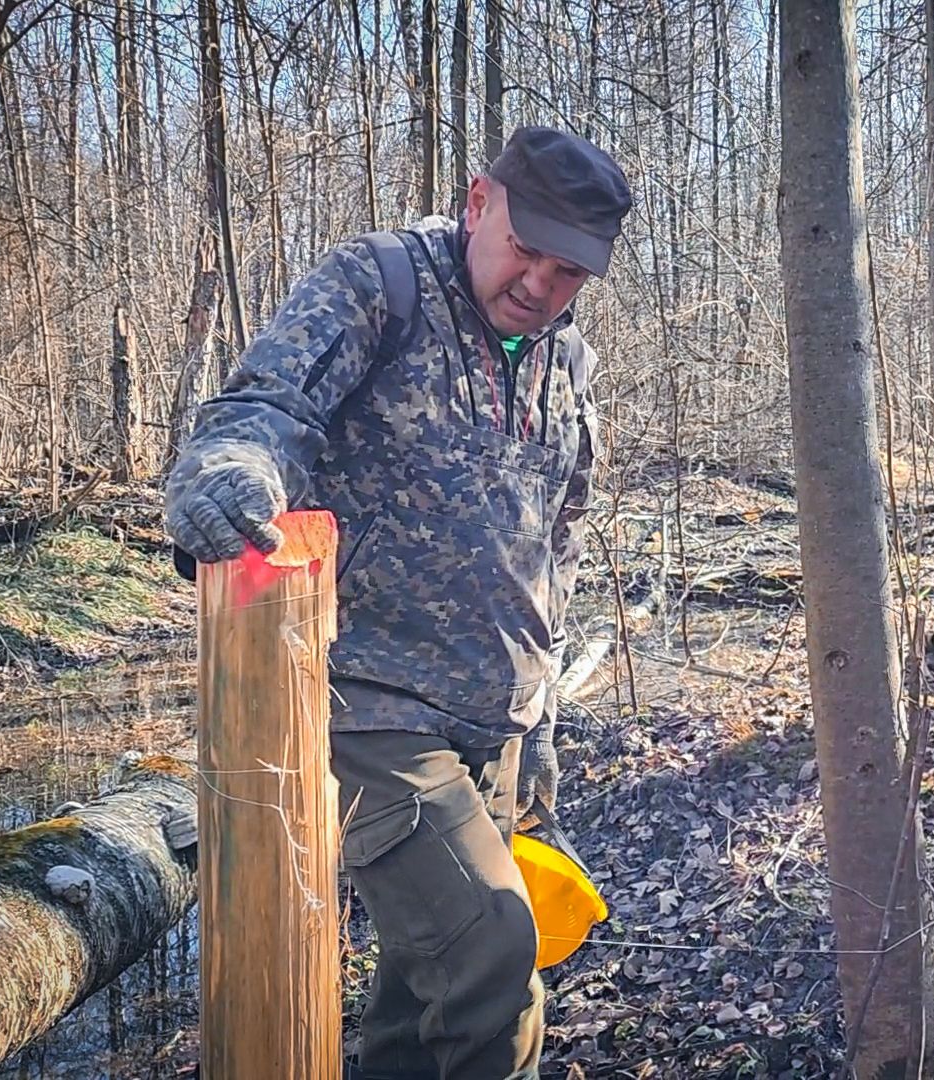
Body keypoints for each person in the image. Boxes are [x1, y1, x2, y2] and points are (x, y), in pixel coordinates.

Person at [163, 125, 632, 1080]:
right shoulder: (383, 285)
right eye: (525, 249)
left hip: (494, 722)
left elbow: (557, 540)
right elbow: (267, 407)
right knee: (494, 953)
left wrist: (540, 719)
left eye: (569, 272)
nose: (540, 284)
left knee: (422, 1008)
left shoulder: (568, 364)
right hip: (368, 705)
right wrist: (233, 471)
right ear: (478, 203)